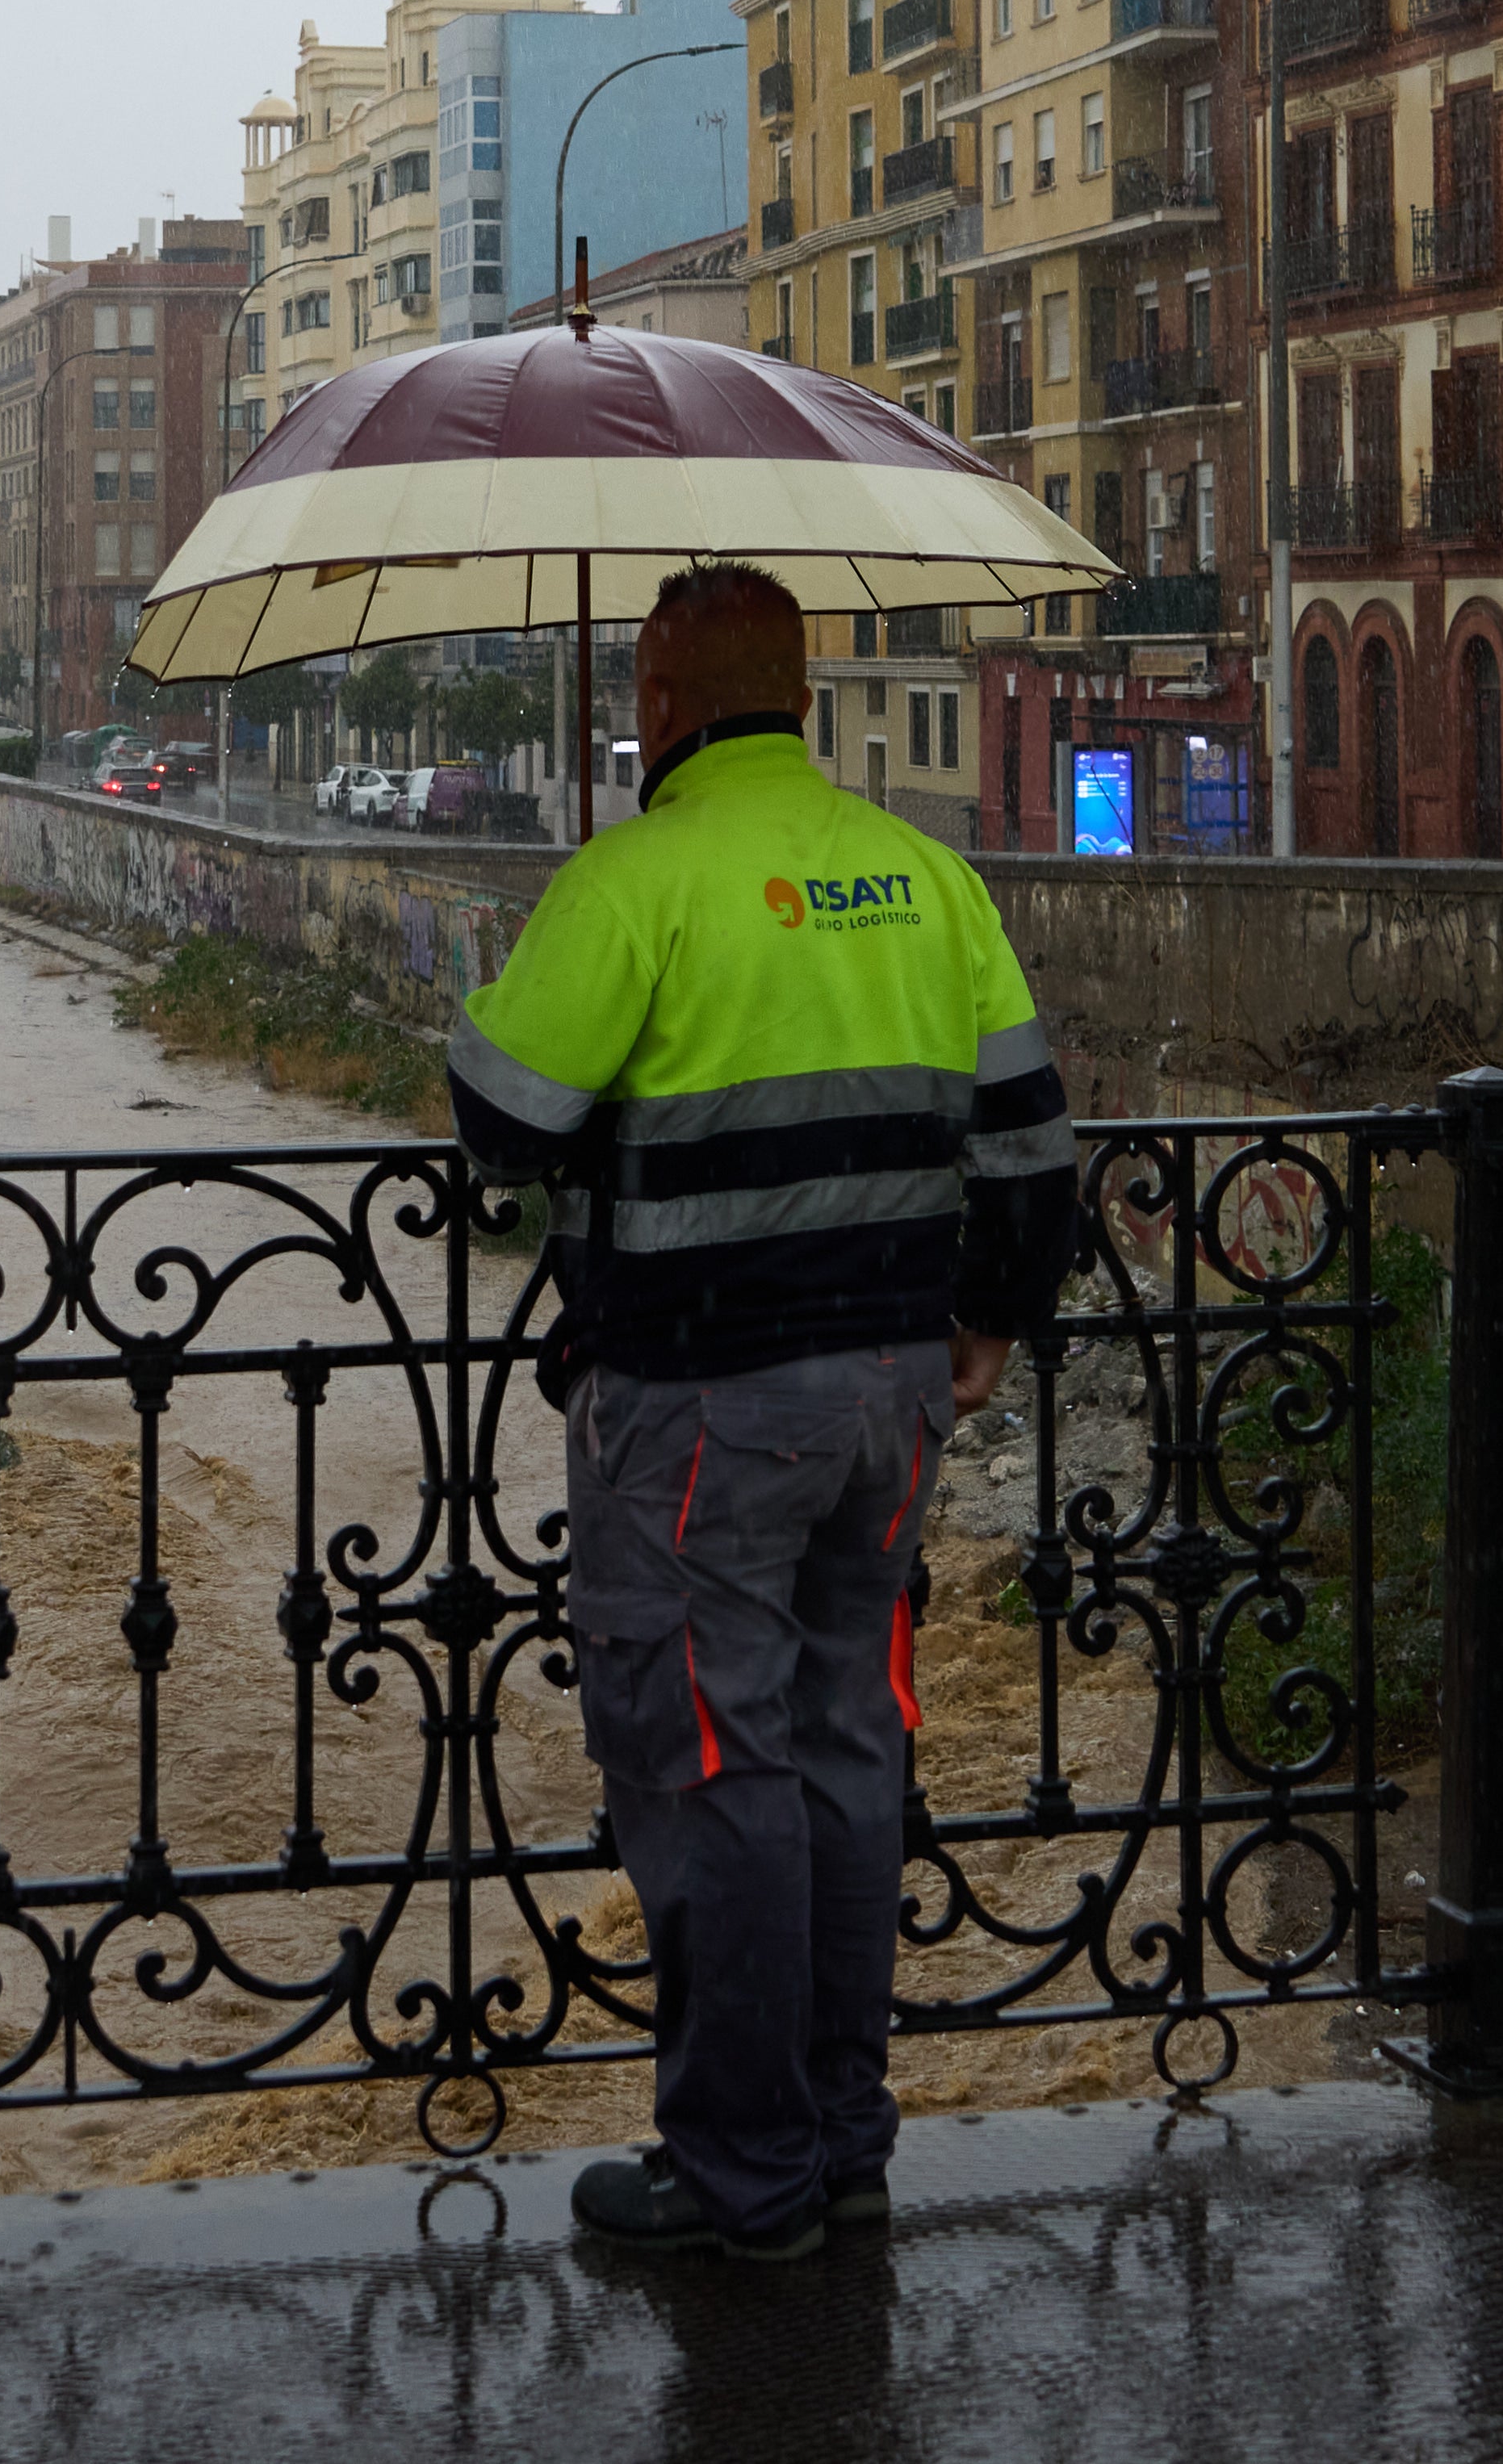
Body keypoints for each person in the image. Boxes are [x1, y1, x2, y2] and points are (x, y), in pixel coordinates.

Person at [444, 561, 1080, 2264]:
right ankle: (842, 2142)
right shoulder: (926, 877)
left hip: (700, 1409)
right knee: (847, 1746)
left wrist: (503, 992)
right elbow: (1032, 1149)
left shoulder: (635, 877)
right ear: (802, 696)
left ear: (658, 705)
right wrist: (988, 1326)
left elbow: (503, 1126)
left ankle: (739, 2177)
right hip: (891, 1393)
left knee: (712, 1763)